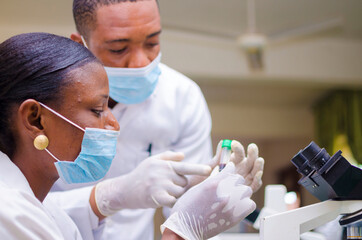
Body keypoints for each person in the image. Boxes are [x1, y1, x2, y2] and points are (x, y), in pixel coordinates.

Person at [0, 32, 257, 240]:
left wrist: (108, 197)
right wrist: (182, 231)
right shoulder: (10, 213)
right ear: (35, 118)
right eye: (98, 110)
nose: (114, 124)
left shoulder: (40, 208)